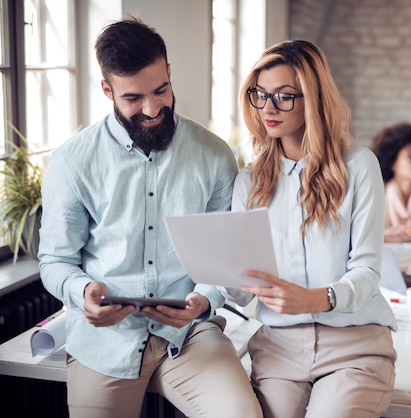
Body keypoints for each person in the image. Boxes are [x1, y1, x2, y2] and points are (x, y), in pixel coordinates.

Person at [37, 18, 262, 418]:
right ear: (107, 90)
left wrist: (203, 301)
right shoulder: (72, 163)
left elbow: (222, 260)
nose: (152, 108)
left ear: (170, 72)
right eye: (133, 98)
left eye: (161, 90)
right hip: (105, 342)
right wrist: (83, 292)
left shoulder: (213, 156)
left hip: (190, 335)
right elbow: (56, 261)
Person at [221, 40, 398, 418]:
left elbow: (367, 273)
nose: (268, 107)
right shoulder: (248, 183)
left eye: (284, 97)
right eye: (260, 95)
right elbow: (239, 293)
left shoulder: (359, 166)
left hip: (354, 346)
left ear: (313, 100)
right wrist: (220, 270)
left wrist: (317, 298)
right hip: (279, 349)